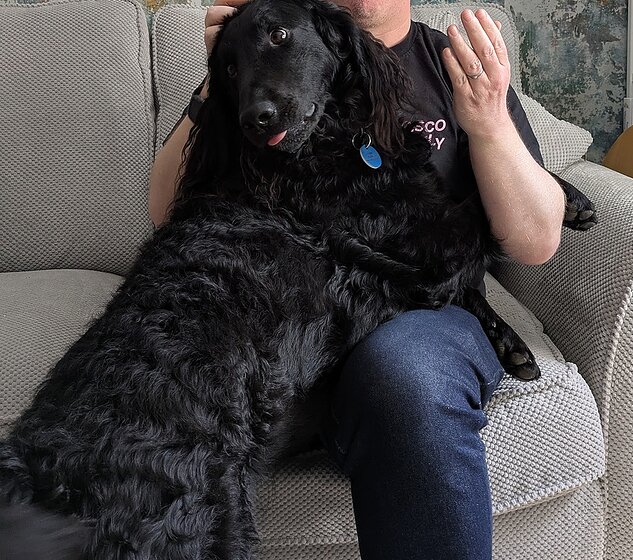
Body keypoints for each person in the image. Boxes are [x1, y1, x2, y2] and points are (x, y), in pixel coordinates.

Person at [148, 1, 566, 558]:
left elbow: (536, 241)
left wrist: (488, 124)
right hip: (288, 328)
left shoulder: (451, 61)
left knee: (406, 373)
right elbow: (165, 213)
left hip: (418, 316)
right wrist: (220, 76)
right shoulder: (271, 49)